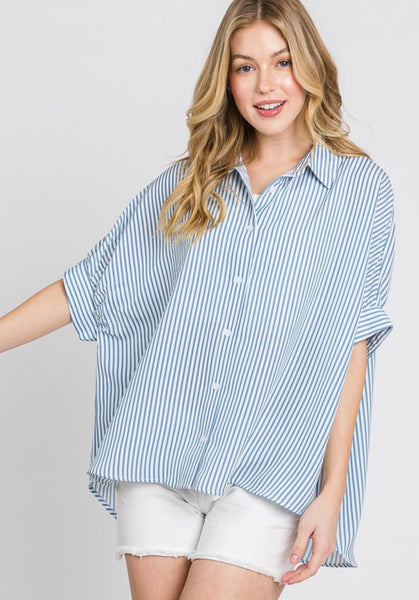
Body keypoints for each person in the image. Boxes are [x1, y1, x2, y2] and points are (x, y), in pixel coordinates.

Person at [0, 0, 396, 598]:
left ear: (310, 66)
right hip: (159, 450)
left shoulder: (361, 191)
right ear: (226, 80)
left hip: (268, 467)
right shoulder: (189, 185)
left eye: (282, 62)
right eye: (245, 67)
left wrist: (331, 491)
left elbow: (353, 341)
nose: (266, 85)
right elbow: (88, 287)